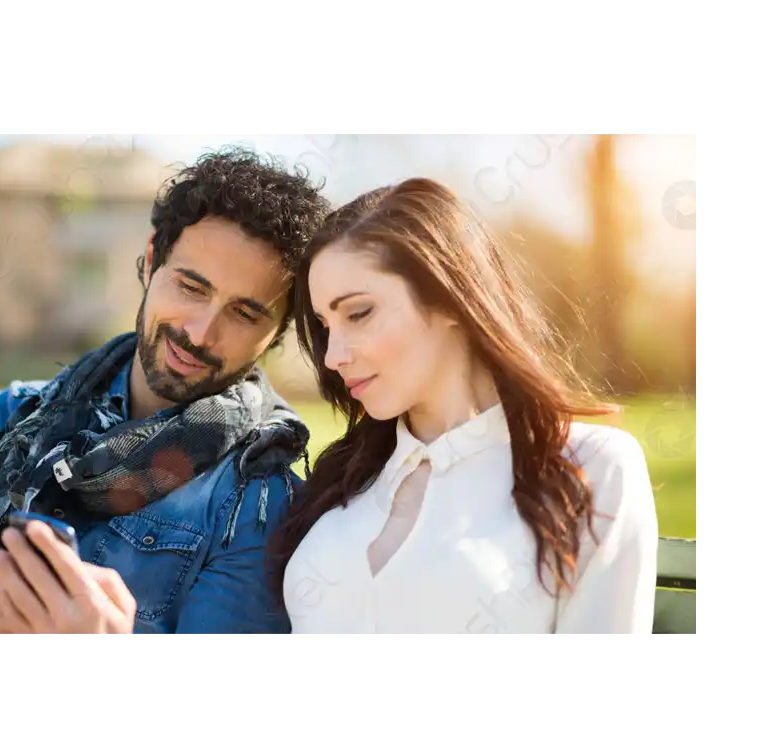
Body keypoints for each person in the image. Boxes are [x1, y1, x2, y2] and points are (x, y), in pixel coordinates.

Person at [0, 148, 331, 638]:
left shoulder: (259, 500)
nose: (201, 333)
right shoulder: (12, 417)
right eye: (191, 287)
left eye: (244, 314)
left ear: (277, 333)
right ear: (153, 259)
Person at [268, 178, 659, 639]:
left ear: (450, 296)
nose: (333, 357)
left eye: (358, 314)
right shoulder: (344, 479)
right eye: (324, 325)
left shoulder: (591, 467)